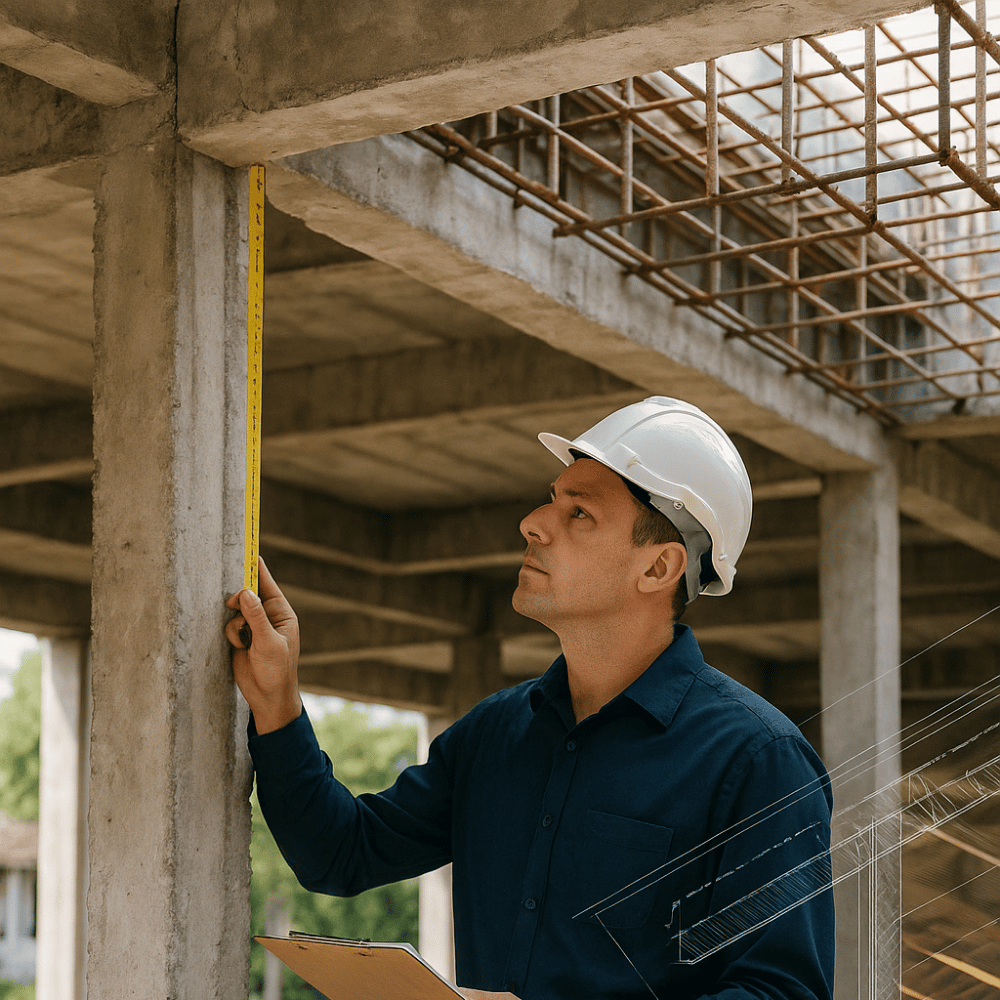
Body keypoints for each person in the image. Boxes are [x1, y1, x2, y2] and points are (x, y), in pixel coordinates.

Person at [226, 396, 835, 1000]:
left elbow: (778, 993)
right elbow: (341, 852)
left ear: (658, 568)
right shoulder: (495, 735)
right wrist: (277, 703)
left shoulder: (759, 762)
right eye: (553, 498)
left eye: (580, 514)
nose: (534, 522)